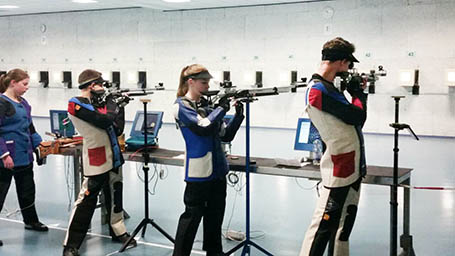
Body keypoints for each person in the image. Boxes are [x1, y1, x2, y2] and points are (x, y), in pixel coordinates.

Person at [300, 37, 368, 256]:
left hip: (353, 165)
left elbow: (354, 119)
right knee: (322, 226)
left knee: (344, 223)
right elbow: (357, 116)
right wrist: (358, 93)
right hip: (340, 167)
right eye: (348, 64)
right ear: (341, 61)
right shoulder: (319, 90)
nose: (348, 69)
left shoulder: (328, 88)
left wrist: (352, 93)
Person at [172, 64, 244, 256]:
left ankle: (214, 252)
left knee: (215, 215)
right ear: (190, 82)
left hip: (218, 170)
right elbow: (203, 127)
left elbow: (225, 135)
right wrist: (221, 108)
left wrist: (238, 116)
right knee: (192, 217)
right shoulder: (181, 106)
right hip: (199, 171)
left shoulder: (207, 107)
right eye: (203, 82)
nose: (207, 86)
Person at [62, 69, 136, 256]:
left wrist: (120, 106)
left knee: (115, 195)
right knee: (86, 200)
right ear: (91, 85)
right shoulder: (76, 104)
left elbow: (117, 128)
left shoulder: (101, 104)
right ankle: (71, 245)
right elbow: (103, 120)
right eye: (100, 84)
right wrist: (114, 104)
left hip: (113, 154)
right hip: (96, 157)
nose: (103, 88)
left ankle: (118, 230)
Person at [0, 69, 49, 247]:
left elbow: (30, 127)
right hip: (6, 158)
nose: (27, 87)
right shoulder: (1, 103)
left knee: (27, 190)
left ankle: (31, 221)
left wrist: (39, 145)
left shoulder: (24, 103)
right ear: (12, 83)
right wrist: (4, 154)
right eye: (24, 84)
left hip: (24, 155)